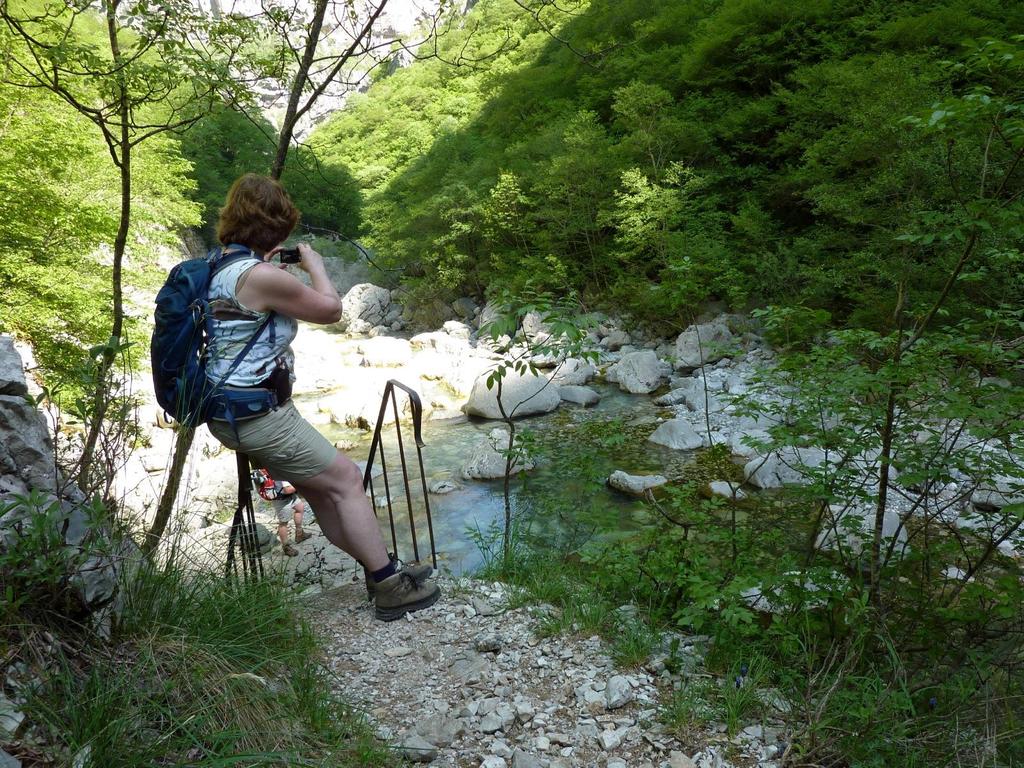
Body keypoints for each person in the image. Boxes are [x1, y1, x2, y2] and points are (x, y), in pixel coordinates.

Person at [205, 173, 439, 621]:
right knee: (347, 480)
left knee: (321, 492)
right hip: (257, 413)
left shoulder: (221, 267)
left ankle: (379, 571)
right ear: (277, 227)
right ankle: (389, 585)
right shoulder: (259, 274)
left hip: (234, 408)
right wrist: (315, 265)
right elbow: (331, 311)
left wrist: (278, 273)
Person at [251, 468, 312, 556]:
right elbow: (288, 490)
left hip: (289, 496)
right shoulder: (279, 470)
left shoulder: (279, 467)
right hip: (281, 500)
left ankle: (299, 534)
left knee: (300, 508)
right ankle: (286, 547)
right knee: (283, 523)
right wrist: (301, 484)